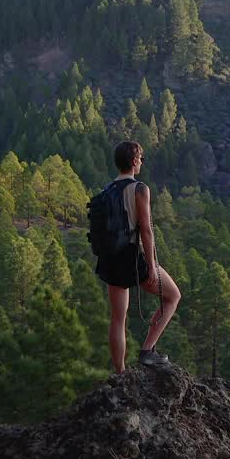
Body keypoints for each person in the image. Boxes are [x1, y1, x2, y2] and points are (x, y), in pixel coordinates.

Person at [96, 141, 182, 372]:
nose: (142, 162)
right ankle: (148, 350)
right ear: (134, 161)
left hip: (112, 259)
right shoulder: (140, 189)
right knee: (172, 296)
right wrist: (152, 266)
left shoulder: (107, 190)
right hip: (135, 258)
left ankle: (121, 372)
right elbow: (146, 229)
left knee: (117, 319)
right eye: (141, 158)